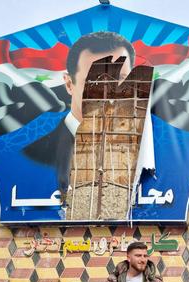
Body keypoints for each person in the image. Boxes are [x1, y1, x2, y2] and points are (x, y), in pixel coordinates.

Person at [23, 31, 135, 202]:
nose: (109, 93)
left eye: (120, 80)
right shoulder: (33, 157)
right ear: (69, 84)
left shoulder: (152, 155)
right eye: (94, 81)